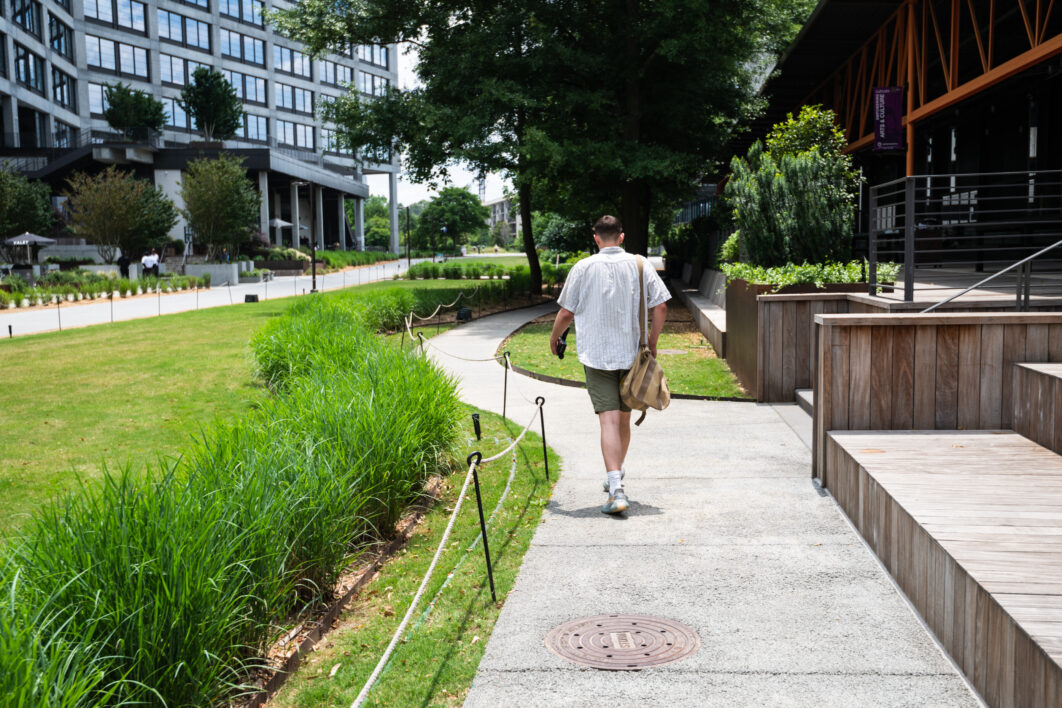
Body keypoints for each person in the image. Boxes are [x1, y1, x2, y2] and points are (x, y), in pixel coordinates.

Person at [549, 215, 669, 515]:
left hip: (597, 355)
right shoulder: (641, 264)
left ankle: (616, 489)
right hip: (633, 354)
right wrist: (652, 341)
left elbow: (566, 313)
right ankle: (614, 473)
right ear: (622, 236)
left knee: (609, 421)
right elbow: (662, 306)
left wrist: (555, 336)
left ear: (596, 238)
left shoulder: (583, 267)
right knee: (623, 420)